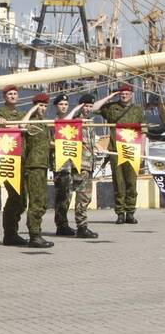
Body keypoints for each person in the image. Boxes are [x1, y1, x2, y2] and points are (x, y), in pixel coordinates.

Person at [94, 84, 145, 224]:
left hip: (132, 149)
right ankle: (120, 213)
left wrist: (142, 150)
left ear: (131, 94)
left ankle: (130, 212)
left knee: (131, 182)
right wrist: (110, 96)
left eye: (127, 93)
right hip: (115, 150)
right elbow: (94, 108)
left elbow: (144, 130)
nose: (124, 95)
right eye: (122, 93)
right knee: (118, 182)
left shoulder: (137, 110)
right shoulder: (111, 107)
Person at [0, 86, 31, 246]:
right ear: (4, 96)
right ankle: (10, 233)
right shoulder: (0, 114)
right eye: (10, 94)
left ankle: (12, 231)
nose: (13, 96)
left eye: (15, 94)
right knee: (14, 197)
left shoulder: (22, 115)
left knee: (22, 200)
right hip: (7, 161)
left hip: (21, 159)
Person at [63, 95, 99, 238]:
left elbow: (88, 142)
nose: (88, 109)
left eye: (90, 106)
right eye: (86, 106)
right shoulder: (74, 121)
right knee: (82, 196)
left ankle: (82, 226)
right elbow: (63, 123)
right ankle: (81, 226)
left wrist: (96, 147)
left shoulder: (90, 122)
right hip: (80, 165)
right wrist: (75, 109)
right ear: (80, 106)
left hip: (89, 164)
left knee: (86, 197)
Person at [22, 94, 55, 248]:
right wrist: (32, 110)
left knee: (42, 201)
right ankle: (34, 235)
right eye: (39, 105)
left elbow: (48, 144)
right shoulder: (32, 122)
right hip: (33, 166)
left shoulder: (44, 125)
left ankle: (37, 232)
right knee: (36, 201)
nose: (42, 109)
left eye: (44, 106)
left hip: (43, 166)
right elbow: (21, 126)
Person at [51, 95, 75, 237]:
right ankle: (61, 224)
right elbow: (49, 142)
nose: (64, 106)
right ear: (56, 106)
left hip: (70, 162)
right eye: (61, 104)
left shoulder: (72, 124)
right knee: (61, 194)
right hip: (59, 163)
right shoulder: (52, 122)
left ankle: (64, 223)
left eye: (66, 104)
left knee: (67, 194)